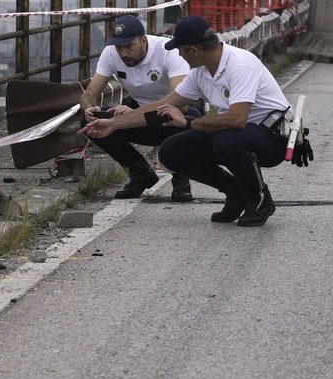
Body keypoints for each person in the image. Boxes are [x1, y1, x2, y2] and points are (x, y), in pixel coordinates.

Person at [80, 16, 313, 227]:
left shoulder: (240, 64)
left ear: (192, 50)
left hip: (273, 136)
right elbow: (160, 107)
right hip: (242, 133)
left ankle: (259, 199)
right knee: (171, 152)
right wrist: (112, 124)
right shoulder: (199, 72)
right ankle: (235, 192)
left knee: (226, 141)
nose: (178, 56)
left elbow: (237, 119)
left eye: (180, 51)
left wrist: (189, 123)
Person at [80, 15, 201, 202]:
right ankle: (140, 173)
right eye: (119, 47)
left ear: (143, 40)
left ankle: (181, 179)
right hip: (138, 115)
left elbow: (181, 105)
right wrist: (90, 109)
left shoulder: (168, 52)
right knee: (91, 122)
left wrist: (135, 115)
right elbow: (89, 94)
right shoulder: (111, 53)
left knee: (183, 117)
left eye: (129, 46)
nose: (123, 53)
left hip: (168, 117)